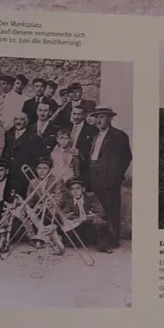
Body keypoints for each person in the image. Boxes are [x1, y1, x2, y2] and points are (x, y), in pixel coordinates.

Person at [84, 106, 132, 244]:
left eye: (102, 117)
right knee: (99, 209)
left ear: (110, 118)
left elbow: (126, 157)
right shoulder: (96, 136)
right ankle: (101, 238)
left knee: (111, 208)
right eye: (97, 117)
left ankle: (113, 238)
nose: (98, 120)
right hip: (95, 177)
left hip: (110, 179)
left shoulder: (118, 135)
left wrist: (115, 175)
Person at [58, 178, 116, 253]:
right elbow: (65, 214)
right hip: (81, 226)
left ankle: (104, 246)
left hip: (91, 223)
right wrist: (78, 218)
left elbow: (101, 212)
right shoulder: (70, 201)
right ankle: (86, 240)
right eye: (72, 189)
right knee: (69, 239)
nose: (75, 191)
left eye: (78, 188)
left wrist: (87, 218)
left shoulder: (91, 197)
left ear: (83, 189)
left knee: (99, 221)